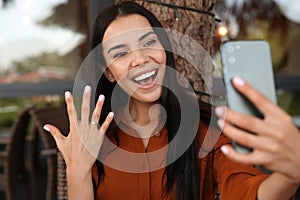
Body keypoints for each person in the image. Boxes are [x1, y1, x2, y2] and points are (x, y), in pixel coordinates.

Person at [43, 1, 300, 200]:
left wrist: (291, 175)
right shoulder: (95, 136)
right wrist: (77, 171)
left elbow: (247, 191)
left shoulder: (206, 127)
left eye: (148, 43)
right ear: (108, 71)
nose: (140, 59)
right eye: (121, 53)